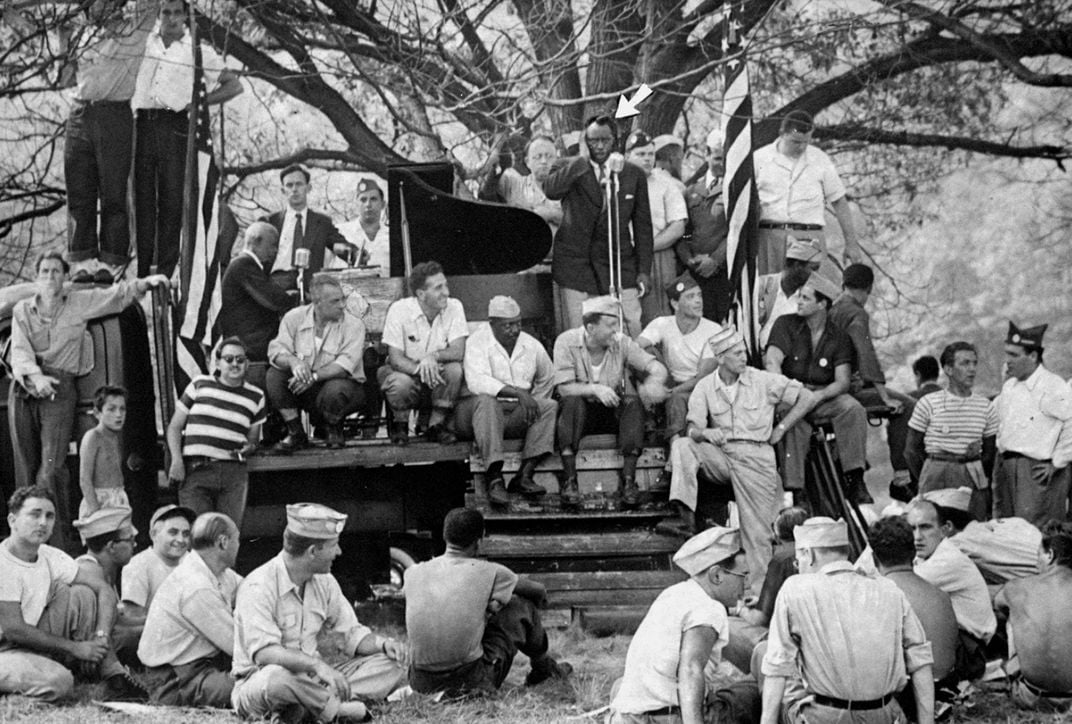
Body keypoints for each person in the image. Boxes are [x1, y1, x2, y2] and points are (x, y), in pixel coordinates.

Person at [7, 251, 169, 547]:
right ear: (36, 276)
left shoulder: (78, 304)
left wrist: (145, 283)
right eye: (44, 271)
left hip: (59, 388)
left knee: (51, 466)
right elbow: (18, 350)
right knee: (25, 466)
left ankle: (53, 542)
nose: (50, 277)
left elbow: (115, 295)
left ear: (66, 277)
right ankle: (24, 536)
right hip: (24, 387)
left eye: (56, 271)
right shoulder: (21, 311)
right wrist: (34, 376)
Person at [231, 503, 407, 721]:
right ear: (313, 551)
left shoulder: (324, 581)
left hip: (312, 681)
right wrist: (317, 665)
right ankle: (337, 710)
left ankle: (307, 709)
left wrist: (383, 644)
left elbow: (351, 634)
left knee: (392, 665)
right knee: (277, 679)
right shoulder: (258, 586)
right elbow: (265, 654)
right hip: (260, 682)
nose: (339, 552)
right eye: (334, 545)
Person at [670, 327, 812, 596]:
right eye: (737, 353)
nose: (744, 357)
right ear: (721, 358)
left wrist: (781, 429)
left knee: (757, 536)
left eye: (744, 351)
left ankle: (761, 598)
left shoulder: (762, 380)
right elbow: (692, 430)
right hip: (722, 456)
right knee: (683, 445)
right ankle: (683, 513)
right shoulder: (705, 386)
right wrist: (705, 432)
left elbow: (806, 396)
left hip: (756, 457)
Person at [760, 517, 935, 724]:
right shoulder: (889, 589)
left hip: (824, 717)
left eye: (798, 560)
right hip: (885, 715)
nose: (798, 567)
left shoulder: (795, 588)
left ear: (809, 554)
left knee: (772, 665)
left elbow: (777, 667)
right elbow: (921, 661)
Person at [405, 507, 571, 698]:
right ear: (479, 540)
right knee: (521, 606)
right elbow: (538, 591)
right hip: (469, 681)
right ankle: (543, 669)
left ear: (446, 536)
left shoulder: (414, 572)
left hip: (420, 682)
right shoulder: (489, 571)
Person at [0, 487, 146, 701]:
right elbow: (15, 630)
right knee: (60, 683)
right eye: (35, 514)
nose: (43, 522)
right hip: (5, 648)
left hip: (27, 643)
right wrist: (76, 648)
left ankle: (114, 676)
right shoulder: (3, 563)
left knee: (84, 593)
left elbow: (103, 590)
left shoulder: (51, 556)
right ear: (13, 520)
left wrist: (100, 638)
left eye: (49, 516)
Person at [131, 0, 242, 278]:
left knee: (171, 200)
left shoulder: (197, 51)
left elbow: (234, 85)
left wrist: (199, 104)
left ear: (185, 16)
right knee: (142, 198)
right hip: (141, 124)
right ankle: (143, 269)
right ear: (158, 14)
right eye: (165, 12)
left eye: (177, 12)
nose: (171, 18)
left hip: (176, 126)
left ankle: (165, 272)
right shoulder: (143, 44)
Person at [610, 526, 755, 724]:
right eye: (743, 576)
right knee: (750, 695)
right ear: (717, 575)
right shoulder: (709, 608)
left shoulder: (675, 593)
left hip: (626, 716)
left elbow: (740, 651)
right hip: (664, 718)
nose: (747, 585)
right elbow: (691, 668)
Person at [62, 0, 158, 283]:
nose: (97, 7)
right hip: (80, 112)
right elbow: (65, 74)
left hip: (114, 114)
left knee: (114, 192)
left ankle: (112, 262)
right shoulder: (83, 32)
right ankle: (82, 260)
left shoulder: (133, 30)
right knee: (79, 190)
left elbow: (152, 6)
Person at [553, 296, 669, 509]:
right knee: (571, 403)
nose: (616, 330)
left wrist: (653, 380)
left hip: (609, 411)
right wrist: (595, 389)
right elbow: (563, 387)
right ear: (590, 327)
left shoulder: (621, 342)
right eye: (610, 325)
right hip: (581, 416)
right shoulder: (566, 342)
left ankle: (628, 481)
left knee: (632, 404)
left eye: (617, 324)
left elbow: (655, 367)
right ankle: (570, 481)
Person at [543, 114, 653, 337]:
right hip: (577, 267)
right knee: (584, 332)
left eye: (605, 140)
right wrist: (582, 161)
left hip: (618, 264)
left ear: (616, 140)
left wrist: (643, 270)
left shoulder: (633, 173)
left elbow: (642, 227)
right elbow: (551, 190)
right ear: (585, 140)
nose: (600, 146)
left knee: (631, 325)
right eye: (593, 141)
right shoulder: (569, 166)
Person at [763, 273, 870, 502]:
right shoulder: (786, 324)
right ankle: (796, 489)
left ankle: (855, 477)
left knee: (853, 409)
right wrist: (789, 391)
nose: (799, 302)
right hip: (790, 393)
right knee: (791, 420)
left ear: (822, 304)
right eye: (799, 297)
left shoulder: (839, 337)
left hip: (823, 396)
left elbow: (842, 381)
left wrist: (819, 395)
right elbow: (772, 361)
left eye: (805, 298)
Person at [456, 296, 556, 506]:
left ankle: (524, 475)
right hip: (479, 414)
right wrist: (520, 393)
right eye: (508, 325)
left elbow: (547, 377)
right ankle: (494, 478)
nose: (515, 329)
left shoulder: (531, 345)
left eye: (518, 323)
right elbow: (477, 382)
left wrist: (532, 402)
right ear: (492, 324)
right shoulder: (477, 341)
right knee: (487, 401)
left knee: (548, 406)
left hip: (513, 415)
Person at [138, 512, 242, 707]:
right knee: (260, 688)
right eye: (237, 540)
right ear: (223, 542)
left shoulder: (217, 571)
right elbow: (239, 646)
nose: (239, 546)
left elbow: (253, 592)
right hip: (175, 679)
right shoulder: (196, 585)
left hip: (198, 667)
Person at [830, 263, 916, 490]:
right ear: (867, 288)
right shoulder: (856, 313)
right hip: (848, 389)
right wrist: (884, 396)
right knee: (907, 406)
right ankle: (902, 474)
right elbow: (866, 354)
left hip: (828, 386)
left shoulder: (832, 307)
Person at [267, 274, 370, 451]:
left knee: (335, 389)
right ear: (317, 303)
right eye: (335, 301)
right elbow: (276, 351)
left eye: (342, 299)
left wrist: (312, 377)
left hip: (344, 388)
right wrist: (293, 362)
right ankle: (296, 432)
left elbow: (344, 366)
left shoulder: (354, 325)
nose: (342, 305)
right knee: (274, 375)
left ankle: (333, 429)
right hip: (306, 389)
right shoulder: (294, 318)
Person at [167, 337, 265, 523]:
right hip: (196, 471)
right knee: (198, 537)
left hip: (233, 474)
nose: (234, 363)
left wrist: (250, 447)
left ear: (247, 364)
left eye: (240, 359)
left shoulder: (256, 396)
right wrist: (176, 461)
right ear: (218, 362)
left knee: (226, 538)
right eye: (228, 359)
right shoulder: (199, 384)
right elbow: (174, 427)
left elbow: (253, 439)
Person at [753, 110, 861, 275]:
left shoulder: (820, 159)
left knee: (808, 294)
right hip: (770, 238)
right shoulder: (759, 159)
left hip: (809, 237)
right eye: (795, 142)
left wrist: (851, 243)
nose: (801, 147)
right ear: (782, 134)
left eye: (806, 142)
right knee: (769, 294)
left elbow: (839, 201)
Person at [871, 516, 959, 718]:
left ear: (875, 559)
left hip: (907, 698)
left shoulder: (877, 597)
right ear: (913, 554)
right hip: (944, 690)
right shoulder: (941, 595)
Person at [905, 342, 997, 521]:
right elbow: (910, 450)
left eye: (974, 363)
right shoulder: (928, 403)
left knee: (972, 527)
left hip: (972, 473)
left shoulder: (985, 407)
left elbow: (989, 453)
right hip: (936, 471)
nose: (972, 369)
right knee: (935, 525)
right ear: (948, 369)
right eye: (965, 363)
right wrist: (929, 473)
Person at [379, 261, 468, 446]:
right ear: (421, 294)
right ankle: (400, 425)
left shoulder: (454, 306)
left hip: (436, 374)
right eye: (438, 288)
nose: (446, 292)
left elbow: (458, 351)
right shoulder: (399, 310)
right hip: (406, 371)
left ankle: (435, 426)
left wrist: (432, 357)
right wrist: (422, 369)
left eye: (445, 285)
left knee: (454, 370)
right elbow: (395, 358)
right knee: (399, 382)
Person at [907, 499, 996, 682]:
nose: (917, 537)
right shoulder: (928, 556)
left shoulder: (947, 559)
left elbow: (896, 587)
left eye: (925, 527)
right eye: (912, 528)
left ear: (945, 529)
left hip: (968, 651)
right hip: (956, 642)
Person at [994, 321, 1072, 526]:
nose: (1008, 361)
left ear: (1033, 356)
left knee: (1038, 533)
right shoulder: (1010, 386)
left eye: (1014, 355)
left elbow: (1071, 420)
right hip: (1007, 468)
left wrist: (1058, 462)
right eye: (1007, 354)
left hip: (1035, 471)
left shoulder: (1051, 385)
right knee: (1007, 532)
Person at [995, 521, 1072, 712]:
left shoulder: (1017, 587)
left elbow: (998, 606)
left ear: (1050, 555)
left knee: (1014, 617)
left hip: (1031, 697)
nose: (1036, 564)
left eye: (1038, 556)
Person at [637, 274, 721, 442]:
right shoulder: (662, 323)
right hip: (669, 381)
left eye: (699, 295)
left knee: (676, 400)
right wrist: (648, 384)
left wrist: (669, 393)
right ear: (675, 304)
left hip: (698, 388)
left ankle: (675, 448)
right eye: (691, 297)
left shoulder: (713, 330)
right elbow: (633, 348)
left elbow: (703, 378)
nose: (698, 301)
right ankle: (650, 415)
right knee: (646, 352)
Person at [218, 222, 295, 389]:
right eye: (273, 244)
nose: (275, 250)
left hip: (250, 348)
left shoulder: (246, 265)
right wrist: (296, 299)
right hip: (252, 351)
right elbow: (274, 300)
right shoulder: (243, 265)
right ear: (255, 241)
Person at [263, 165, 357, 294]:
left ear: (308, 188)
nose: (294, 189)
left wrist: (355, 252)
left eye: (299, 184)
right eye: (289, 185)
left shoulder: (322, 223)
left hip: (309, 287)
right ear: (283, 190)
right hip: (276, 284)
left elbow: (339, 244)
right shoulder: (270, 222)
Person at [625, 130, 687, 324]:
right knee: (629, 315)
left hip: (658, 255)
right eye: (640, 154)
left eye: (650, 154)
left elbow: (678, 226)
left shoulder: (666, 184)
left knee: (659, 316)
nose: (647, 159)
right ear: (627, 156)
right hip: (625, 257)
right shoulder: (615, 183)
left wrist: (646, 248)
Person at [72, 507, 143, 660]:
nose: (135, 545)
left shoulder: (107, 570)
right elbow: (105, 630)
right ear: (111, 546)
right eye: (130, 540)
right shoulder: (89, 570)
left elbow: (117, 619)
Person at [680, 129, 733, 322]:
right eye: (718, 158)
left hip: (725, 271)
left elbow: (738, 231)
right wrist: (689, 259)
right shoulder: (692, 191)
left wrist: (715, 260)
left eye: (726, 158)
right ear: (707, 155)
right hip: (697, 272)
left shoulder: (737, 189)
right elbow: (684, 233)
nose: (722, 164)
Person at [121, 504, 195, 620]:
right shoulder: (137, 565)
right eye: (173, 532)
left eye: (186, 534)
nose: (181, 540)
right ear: (154, 534)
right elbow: (133, 618)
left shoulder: (193, 562)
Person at [754, 237, 822, 348]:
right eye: (813, 268)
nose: (815, 274)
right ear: (797, 265)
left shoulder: (808, 297)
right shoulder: (762, 285)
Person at [78, 385, 130, 517]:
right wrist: (95, 510)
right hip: (99, 501)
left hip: (118, 499)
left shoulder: (115, 438)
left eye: (122, 409)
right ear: (97, 413)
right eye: (111, 409)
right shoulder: (93, 437)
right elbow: (85, 479)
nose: (118, 414)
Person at [498, 135, 563, 237]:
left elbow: (584, 222)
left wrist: (551, 214)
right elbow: (487, 191)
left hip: (564, 251)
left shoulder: (570, 188)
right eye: (538, 157)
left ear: (557, 159)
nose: (544, 161)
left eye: (549, 156)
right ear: (527, 162)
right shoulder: (514, 185)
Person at [337, 178, 391, 275]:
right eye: (363, 200)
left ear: (383, 204)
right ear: (356, 204)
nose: (368, 204)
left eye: (373, 199)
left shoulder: (393, 236)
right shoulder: (340, 232)